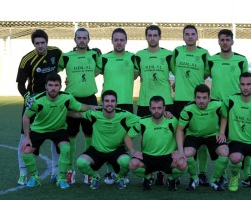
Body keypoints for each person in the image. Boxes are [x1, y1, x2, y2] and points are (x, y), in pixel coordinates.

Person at [21, 73, 98, 189]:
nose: (53, 88)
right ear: (46, 86)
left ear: (60, 86)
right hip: (39, 129)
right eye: (50, 85)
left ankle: (61, 178)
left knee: (66, 148)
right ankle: (34, 177)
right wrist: (27, 137)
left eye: (56, 85)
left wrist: (94, 107)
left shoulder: (67, 97)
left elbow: (80, 107)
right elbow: (26, 117)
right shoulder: (36, 100)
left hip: (58, 129)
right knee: (25, 151)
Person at [68, 90, 140, 189]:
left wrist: (129, 135)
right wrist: (62, 111)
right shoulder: (94, 114)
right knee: (81, 163)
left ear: (116, 103)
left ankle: (120, 177)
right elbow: (78, 114)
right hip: (97, 150)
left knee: (127, 162)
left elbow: (142, 122)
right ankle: (95, 177)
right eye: (106, 101)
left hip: (116, 150)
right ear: (102, 102)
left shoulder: (124, 115)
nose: (109, 104)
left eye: (112, 101)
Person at [16, 29, 62, 185]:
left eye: (43, 43)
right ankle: (22, 173)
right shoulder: (27, 60)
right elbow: (21, 84)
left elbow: (65, 66)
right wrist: (28, 98)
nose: (41, 46)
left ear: (47, 42)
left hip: (53, 101)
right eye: (37, 43)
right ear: (33, 44)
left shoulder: (56, 53)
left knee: (55, 137)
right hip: (34, 102)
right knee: (24, 136)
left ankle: (56, 172)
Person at [207, 29, 251, 186]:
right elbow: (200, 76)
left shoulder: (241, 60)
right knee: (222, 141)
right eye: (222, 39)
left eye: (227, 39)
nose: (225, 42)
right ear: (218, 42)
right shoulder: (211, 60)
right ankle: (223, 175)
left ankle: (246, 176)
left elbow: (247, 83)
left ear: (232, 41)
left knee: (244, 140)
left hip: (237, 107)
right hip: (218, 109)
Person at [57, 28, 100, 184]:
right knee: (71, 136)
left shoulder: (94, 55)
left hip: (90, 99)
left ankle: (88, 171)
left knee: (90, 135)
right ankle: (70, 170)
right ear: (75, 39)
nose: (82, 40)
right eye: (79, 37)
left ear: (89, 40)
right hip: (72, 99)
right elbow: (55, 71)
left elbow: (99, 71)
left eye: (84, 38)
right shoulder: (67, 57)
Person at [170, 24, 211, 186]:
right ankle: (177, 171)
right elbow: (174, 70)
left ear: (197, 36)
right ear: (183, 36)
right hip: (179, 101)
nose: (189, 36)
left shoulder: (204, 54)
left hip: (198, 101)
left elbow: (207, 72)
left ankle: (201, 173)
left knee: (199, 138)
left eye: (192, 34)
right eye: (186, 34)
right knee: (178, 137)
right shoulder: (177, 52)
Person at [97, 28, 138, 184]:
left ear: (126, 41)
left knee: (124, 139)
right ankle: (109, 173)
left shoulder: (133, 58)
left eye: (122, 39)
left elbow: (138, 74)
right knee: (109, 139)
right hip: (108, 104)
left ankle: (122, 173)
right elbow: (91, 73)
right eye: (116, 39)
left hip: (126, 103)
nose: (119, 42)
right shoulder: (104, 58)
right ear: (112, 41)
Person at [135, 25, 174, 184]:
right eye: (149, 35)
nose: (152, 38)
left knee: (167, 137)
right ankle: (149, 171)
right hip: (145, 102)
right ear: (146, 37)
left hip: (165, 102)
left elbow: (178, 72)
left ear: (159, 37)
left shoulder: (168, 55)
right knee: (146, 137)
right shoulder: (139, 55)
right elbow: (134, 75)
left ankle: (164, 171)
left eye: (155, 35)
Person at [124, 96, 187, 191]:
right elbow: (127, 137)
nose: (156, 111)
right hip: (148, 157)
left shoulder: (172, 120)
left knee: (183, 164)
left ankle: (170, 179)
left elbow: (180, 133)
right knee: (132, 164)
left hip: (168, 157)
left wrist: (178, 151)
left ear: (164, 108)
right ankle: (148, 177)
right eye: (153, 108)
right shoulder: (142, 121)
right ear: (149, 108)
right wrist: (133, 151)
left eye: (159, 108)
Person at [176, 84, 229, 191]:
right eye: (198, 98)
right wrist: (180, 151)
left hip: (213, 135)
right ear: (194, 98)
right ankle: (194, 178)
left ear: (209, 98)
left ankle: (215, 179)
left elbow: (224, 116)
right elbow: (179, 130)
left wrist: (222, 132)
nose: (201, 101)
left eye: (204, 98)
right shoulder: (188, 109)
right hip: (194, 135)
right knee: (187, 153)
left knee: (225, 152)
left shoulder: (218, 105)